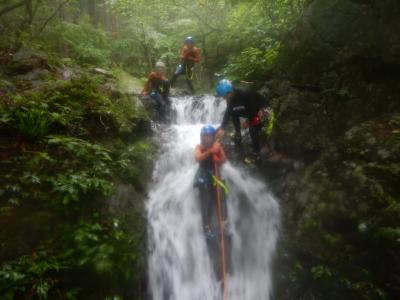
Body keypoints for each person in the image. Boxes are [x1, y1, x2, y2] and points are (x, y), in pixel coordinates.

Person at [194, 125, 230, 283]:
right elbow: (198, 158)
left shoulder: (218, 146)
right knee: (205, 197)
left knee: (222, 194)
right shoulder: (199, 147)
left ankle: (224, 222)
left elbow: (224, 159)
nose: (205, 139)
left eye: (208, 136)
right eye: (204, 136)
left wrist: (218, 159)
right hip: (203, 175)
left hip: (214, 174)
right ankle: (206, 227)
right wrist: (210, 152)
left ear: (212, 137)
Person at [216, 79, 270, 158]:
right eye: (224, 97)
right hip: (249, 109)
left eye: (225, 96)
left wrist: (248, 121)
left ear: (230, 91)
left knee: (253, 128)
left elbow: (254, 108)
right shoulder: (230, 99)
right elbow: (228, 112)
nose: (225, 99)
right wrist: (222, 128)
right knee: (234, 113)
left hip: (261, 108)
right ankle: (238, 134)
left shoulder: (245, 93)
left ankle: (256, 151)